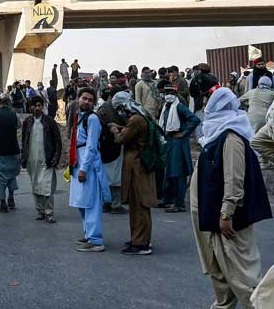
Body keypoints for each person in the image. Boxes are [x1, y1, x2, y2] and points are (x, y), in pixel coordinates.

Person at [192, 87, 272, 309]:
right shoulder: (215, 134)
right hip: (210, 214)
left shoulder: (231, 137)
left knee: (243, 278)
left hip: (226, 217)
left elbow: (234, 179)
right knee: (219, 271)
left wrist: (227, 212)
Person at [110, 92, 158, 255]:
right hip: (139, 165)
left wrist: (116, 130)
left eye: (120, 108)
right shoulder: (140, 116)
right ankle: (139, 238)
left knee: (140, 204)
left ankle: (141, 243)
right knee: (137, 205)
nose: (120, 112)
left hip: (138, 167)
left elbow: (121, 139)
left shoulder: (136, 119)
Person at [69, 88, 110, 252]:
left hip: (88, 164)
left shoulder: (92, 118)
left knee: (91, 202)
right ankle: (88, 234)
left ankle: (95, 239)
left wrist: (84, 169)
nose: (86, 101)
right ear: (78, 99)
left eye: (90, 100)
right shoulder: (80, 117)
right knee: (82, 201)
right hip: (78, 162)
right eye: (84, 98)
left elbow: (92, 146)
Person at [160, 85, 200, 213]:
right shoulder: (166, 107)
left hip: (178, 142)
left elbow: (194, 119)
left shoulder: (179, 106)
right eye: (166, 92)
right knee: (169, 172)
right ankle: (168, 200)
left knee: (178, 173)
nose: (168, 95)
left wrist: (184, 133)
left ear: (176, 93)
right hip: (169, 141)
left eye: (171, 92)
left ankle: (179, 203)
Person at [21, 96, 62, 223]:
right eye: (35, 105)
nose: (37, 108)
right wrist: (24, 157)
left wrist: (56, 157)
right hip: (32, 160)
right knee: (36, 186)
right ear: (31, 107)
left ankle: (49, 212)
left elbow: (57, 141)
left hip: (47, 160)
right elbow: (24, 141)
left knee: (47, 187)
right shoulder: (27, 122)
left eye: (40, 105)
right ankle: (40, 211)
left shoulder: (49, 121)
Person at [96, 88, 128, 215]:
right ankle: (116, 204)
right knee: (115, 177)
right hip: (115, 145)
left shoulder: (102, 108)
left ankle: (106, 203)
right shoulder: (116, 108)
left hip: (105, 147)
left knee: (107, 176)